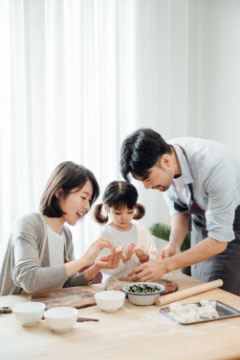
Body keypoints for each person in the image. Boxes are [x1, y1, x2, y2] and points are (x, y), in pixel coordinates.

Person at [120, 128, 240, 295]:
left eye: (148, 179)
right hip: (202, 213)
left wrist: (165, 265)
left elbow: (219, 240)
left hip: (234, 219)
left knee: (218, 290)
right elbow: (179, 210)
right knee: (198, 282)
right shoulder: (167, 162)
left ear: (166, 161)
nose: (147, 187)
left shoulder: (216, 166)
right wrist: (173, 244)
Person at [0, 161, 122, 296]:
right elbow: (29, 280)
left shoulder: (65, 234)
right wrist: (84, 260)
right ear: (59, 192)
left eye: (89, 200)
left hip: (47, 310)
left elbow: (67, 286)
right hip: (14, 313)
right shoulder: (28, 224)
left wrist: (96, 267)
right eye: (83, 197)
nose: (87, 207)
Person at [94, 181, 158, 281]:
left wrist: (145, 258)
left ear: (135, 207)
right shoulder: (105, 234)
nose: (124, 218)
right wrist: (123, 259)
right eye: (118, 213)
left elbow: (155, 259)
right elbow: (103, 268)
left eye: (130, 212)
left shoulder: (141, 231)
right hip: (112, 287)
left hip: (137, 284)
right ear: (106, 208)